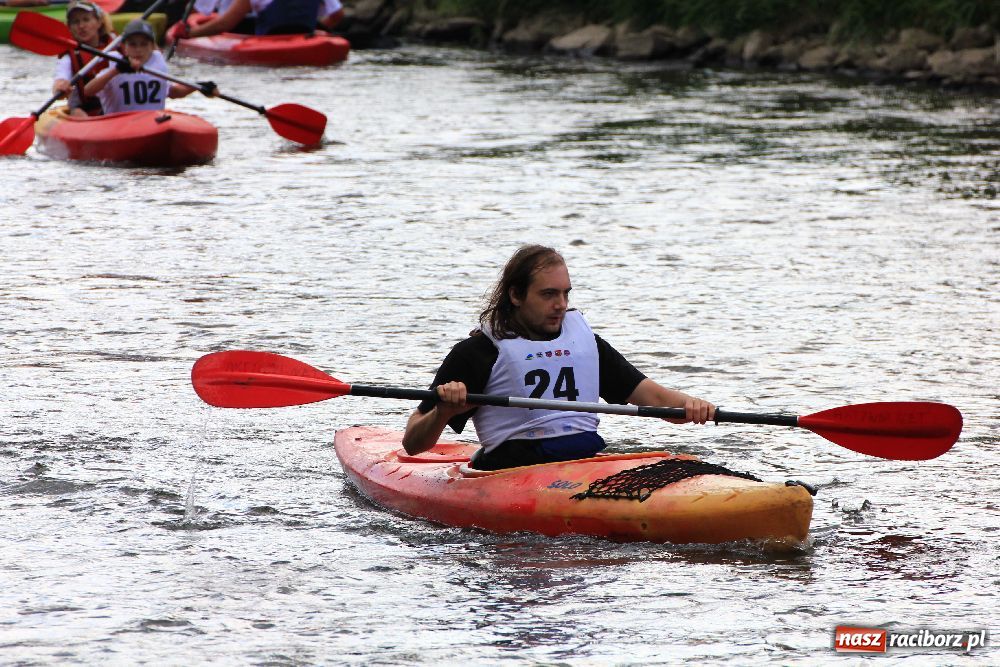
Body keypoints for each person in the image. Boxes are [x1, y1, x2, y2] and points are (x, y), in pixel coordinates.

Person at [402, 245, 716, 470]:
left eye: (565, 293)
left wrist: (693, 406)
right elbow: (414, 444)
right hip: (509, 473)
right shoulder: (477, 353)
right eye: (549, 294)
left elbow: (655, 399)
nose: (561, 304)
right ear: (516, 295)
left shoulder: (585, 344)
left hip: (582, 468)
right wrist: (443, 412)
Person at [84, 20, 214, 114]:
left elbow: (173, 92)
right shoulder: (116, 63)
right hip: (119, 126)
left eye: (144, 44)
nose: (138, 50)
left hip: (152, 124)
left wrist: (198, 86)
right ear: (124, 47)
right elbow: (88, 91)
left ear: (153, 46)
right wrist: (116, 71)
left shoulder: (157, 64)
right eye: (133, 45)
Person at [52, 0, 117, 117]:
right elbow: (60, 78)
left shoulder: (116, 45)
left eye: (86, 19)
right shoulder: (69, 57)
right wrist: (60, 88)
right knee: (77, 113)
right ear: (69, 28)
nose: (81, 26)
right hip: (84, 110)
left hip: (116, 106)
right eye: (75, 22)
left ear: (99, 22)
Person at [166, 0, 343, 40]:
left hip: (268, 42)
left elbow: (225, 24)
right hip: (306, 39)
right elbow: (337, 15)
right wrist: (318, 31)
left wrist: (190, 34)